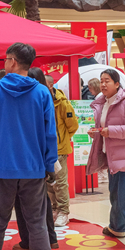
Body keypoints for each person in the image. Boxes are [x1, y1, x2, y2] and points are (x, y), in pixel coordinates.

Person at [0, 43, 57, 250]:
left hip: (1, 168)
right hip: (33, 169)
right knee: (36, 222)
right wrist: (49, 165)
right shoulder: (42, 93)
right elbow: (50, 133)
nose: (4, 63)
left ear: (12, 61)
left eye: (6, 59)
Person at [87, 69, 125, 250]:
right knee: (114, 194)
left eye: (107, 81)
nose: (103, 84)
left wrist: (110, 131)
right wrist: (96, 132)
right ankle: (117, 227)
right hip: (112, 157)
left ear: (117, 84)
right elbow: (104, 127)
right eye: (101, 81)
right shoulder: (102, 103)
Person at [12, 66, 59, 250]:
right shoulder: (46, 96)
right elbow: (51, 133)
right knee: (42, 201)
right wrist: (50, 162)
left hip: (25, 160)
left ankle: (28, 242)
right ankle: (51, 239)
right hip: (42, 159)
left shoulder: (25, 98)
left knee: (22, 202)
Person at [47, 78, 79, 227]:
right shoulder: (40, 100)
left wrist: (63, 139)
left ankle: (64, 212)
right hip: (45, 150)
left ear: (50, 85)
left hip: (59, 149)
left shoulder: (62, 103)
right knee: (49, 183)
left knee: (60, 183)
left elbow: (73, 126)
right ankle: (55, 209)